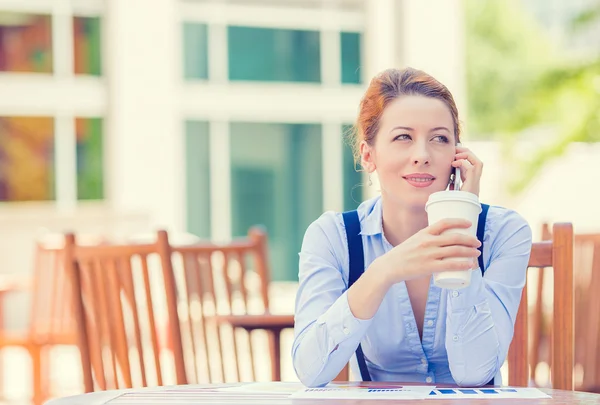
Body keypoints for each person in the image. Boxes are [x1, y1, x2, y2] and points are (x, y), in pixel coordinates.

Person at [291, 67, 532, 388]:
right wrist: (383, 271)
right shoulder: (332, 236)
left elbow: (474, 373)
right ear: (367, 155)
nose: (422, 155)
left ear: (457, 156)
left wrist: (462, 224)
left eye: (440, 139)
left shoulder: (504, 231)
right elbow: (310, 371)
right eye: (403, 137)